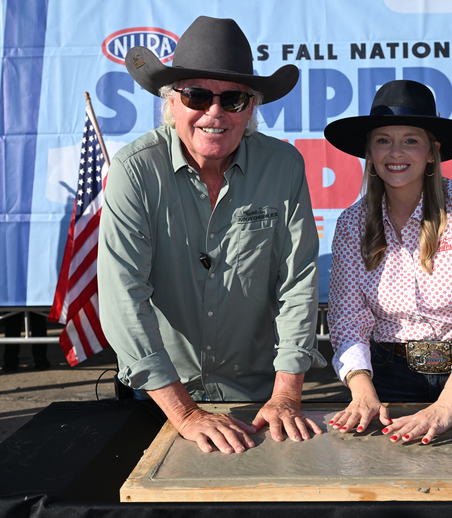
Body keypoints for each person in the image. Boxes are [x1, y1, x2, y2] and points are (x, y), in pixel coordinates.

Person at [97, 16, 325, 454]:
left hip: (260, 400)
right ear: (172, 103)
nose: (214, 113)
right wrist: (185, 413)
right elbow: (124, 298)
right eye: (197, 96)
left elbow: (297, 282)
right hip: (161, 399)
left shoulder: (284, 166)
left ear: (251, 108)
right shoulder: (135, 170)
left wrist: (286, 394)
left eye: (233, 98)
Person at [323, 80, 452, 445]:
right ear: (370, 152)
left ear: (432, 152)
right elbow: (347, 319)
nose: (396, 152)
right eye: (383, 140)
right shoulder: (351, 224)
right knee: (387, 472)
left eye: (410, 140)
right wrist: (362, 390)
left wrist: (449, 403)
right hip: (388, 374)